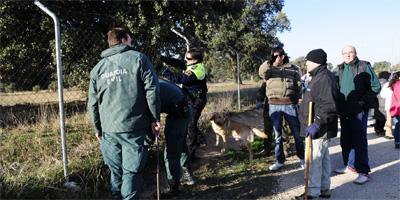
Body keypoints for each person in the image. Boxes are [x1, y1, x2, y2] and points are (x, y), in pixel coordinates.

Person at [88, 27, 161, 199]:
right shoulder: (139, 59)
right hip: (134, 127)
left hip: (109, 129)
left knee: (116, 171)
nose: (132, 42)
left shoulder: (97, 69)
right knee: (131, 171)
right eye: (130, 38)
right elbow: (152, 90)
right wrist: (154, 118)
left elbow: (92, 103)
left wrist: (97, 127)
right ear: (123, 40)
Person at [296, 49, 339, 199]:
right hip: (319, 127)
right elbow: (317, 99)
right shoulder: (317, 76)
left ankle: (312, 192)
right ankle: (324, 188)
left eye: (308, 60)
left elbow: (329, 105)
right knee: (324, 158)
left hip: (319, 128)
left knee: (314, 160)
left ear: (316, 61)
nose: (306, 63)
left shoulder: (324, 78)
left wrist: (317, 123)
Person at [336, 45, 381, 184]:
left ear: (355, 53)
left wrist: (362, 102)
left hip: (358, 111)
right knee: (345, 140)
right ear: (342, 55)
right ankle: (350, 166)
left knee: (360, 141)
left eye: (351, 52)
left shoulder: (364, 66)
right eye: (345, 53)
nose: (348, 55)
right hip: (344, 111)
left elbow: (376, 87)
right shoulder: (339, 69)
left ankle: (363, 172)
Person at [258, 47, 305, 171]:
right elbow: (261, 72)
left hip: (290, 105)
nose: (277, 58)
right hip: (273, 106)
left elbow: (298, 86)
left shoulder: (293, 68)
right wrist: (270, 62)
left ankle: (302, 158)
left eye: (278, 55)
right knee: (277, 135)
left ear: (283, 56)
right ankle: (279, 161)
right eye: (274, 55)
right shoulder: (269, 69)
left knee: (297, 133)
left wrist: (299, 99)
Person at [158, 48, 208, 161]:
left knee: (190, 125)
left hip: (196, 100)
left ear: (195, 60)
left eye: (188, 58)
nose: (185, 60)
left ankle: (191, 153)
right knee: (191, 122)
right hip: (192, 97)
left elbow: (180, 79)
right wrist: (164, 58)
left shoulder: (197, 70)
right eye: (185, 57)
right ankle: (200, 139)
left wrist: (163, 70)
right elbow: (180, 63)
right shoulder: (192, 64)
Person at [152, 79, 193, 198]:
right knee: (181, 146)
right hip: (184, 110)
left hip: (179, 114)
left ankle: (173, 187)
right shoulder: (156, 81)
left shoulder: (151, 89)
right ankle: (187, 177)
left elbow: (152, 113)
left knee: (171, 152)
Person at [374, 71, 391, 136]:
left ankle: (377, 129)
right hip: (383, 101)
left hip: (377, 101)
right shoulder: (387, 83)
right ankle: (380, 130)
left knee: (378, 117)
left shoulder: (376, 82)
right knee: (383, 117)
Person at [380, 73, 395, 139]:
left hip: (388, 105)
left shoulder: (387, 84)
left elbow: (382, 95)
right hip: (397, 105)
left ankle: (388, 133)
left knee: (389, 119)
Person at [388, 71, 400, 149]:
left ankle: (397, 142)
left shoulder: (394, 84)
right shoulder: (398, 84)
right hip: (398, 108)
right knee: (398, 126)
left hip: (394, 109)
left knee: (397, 127)